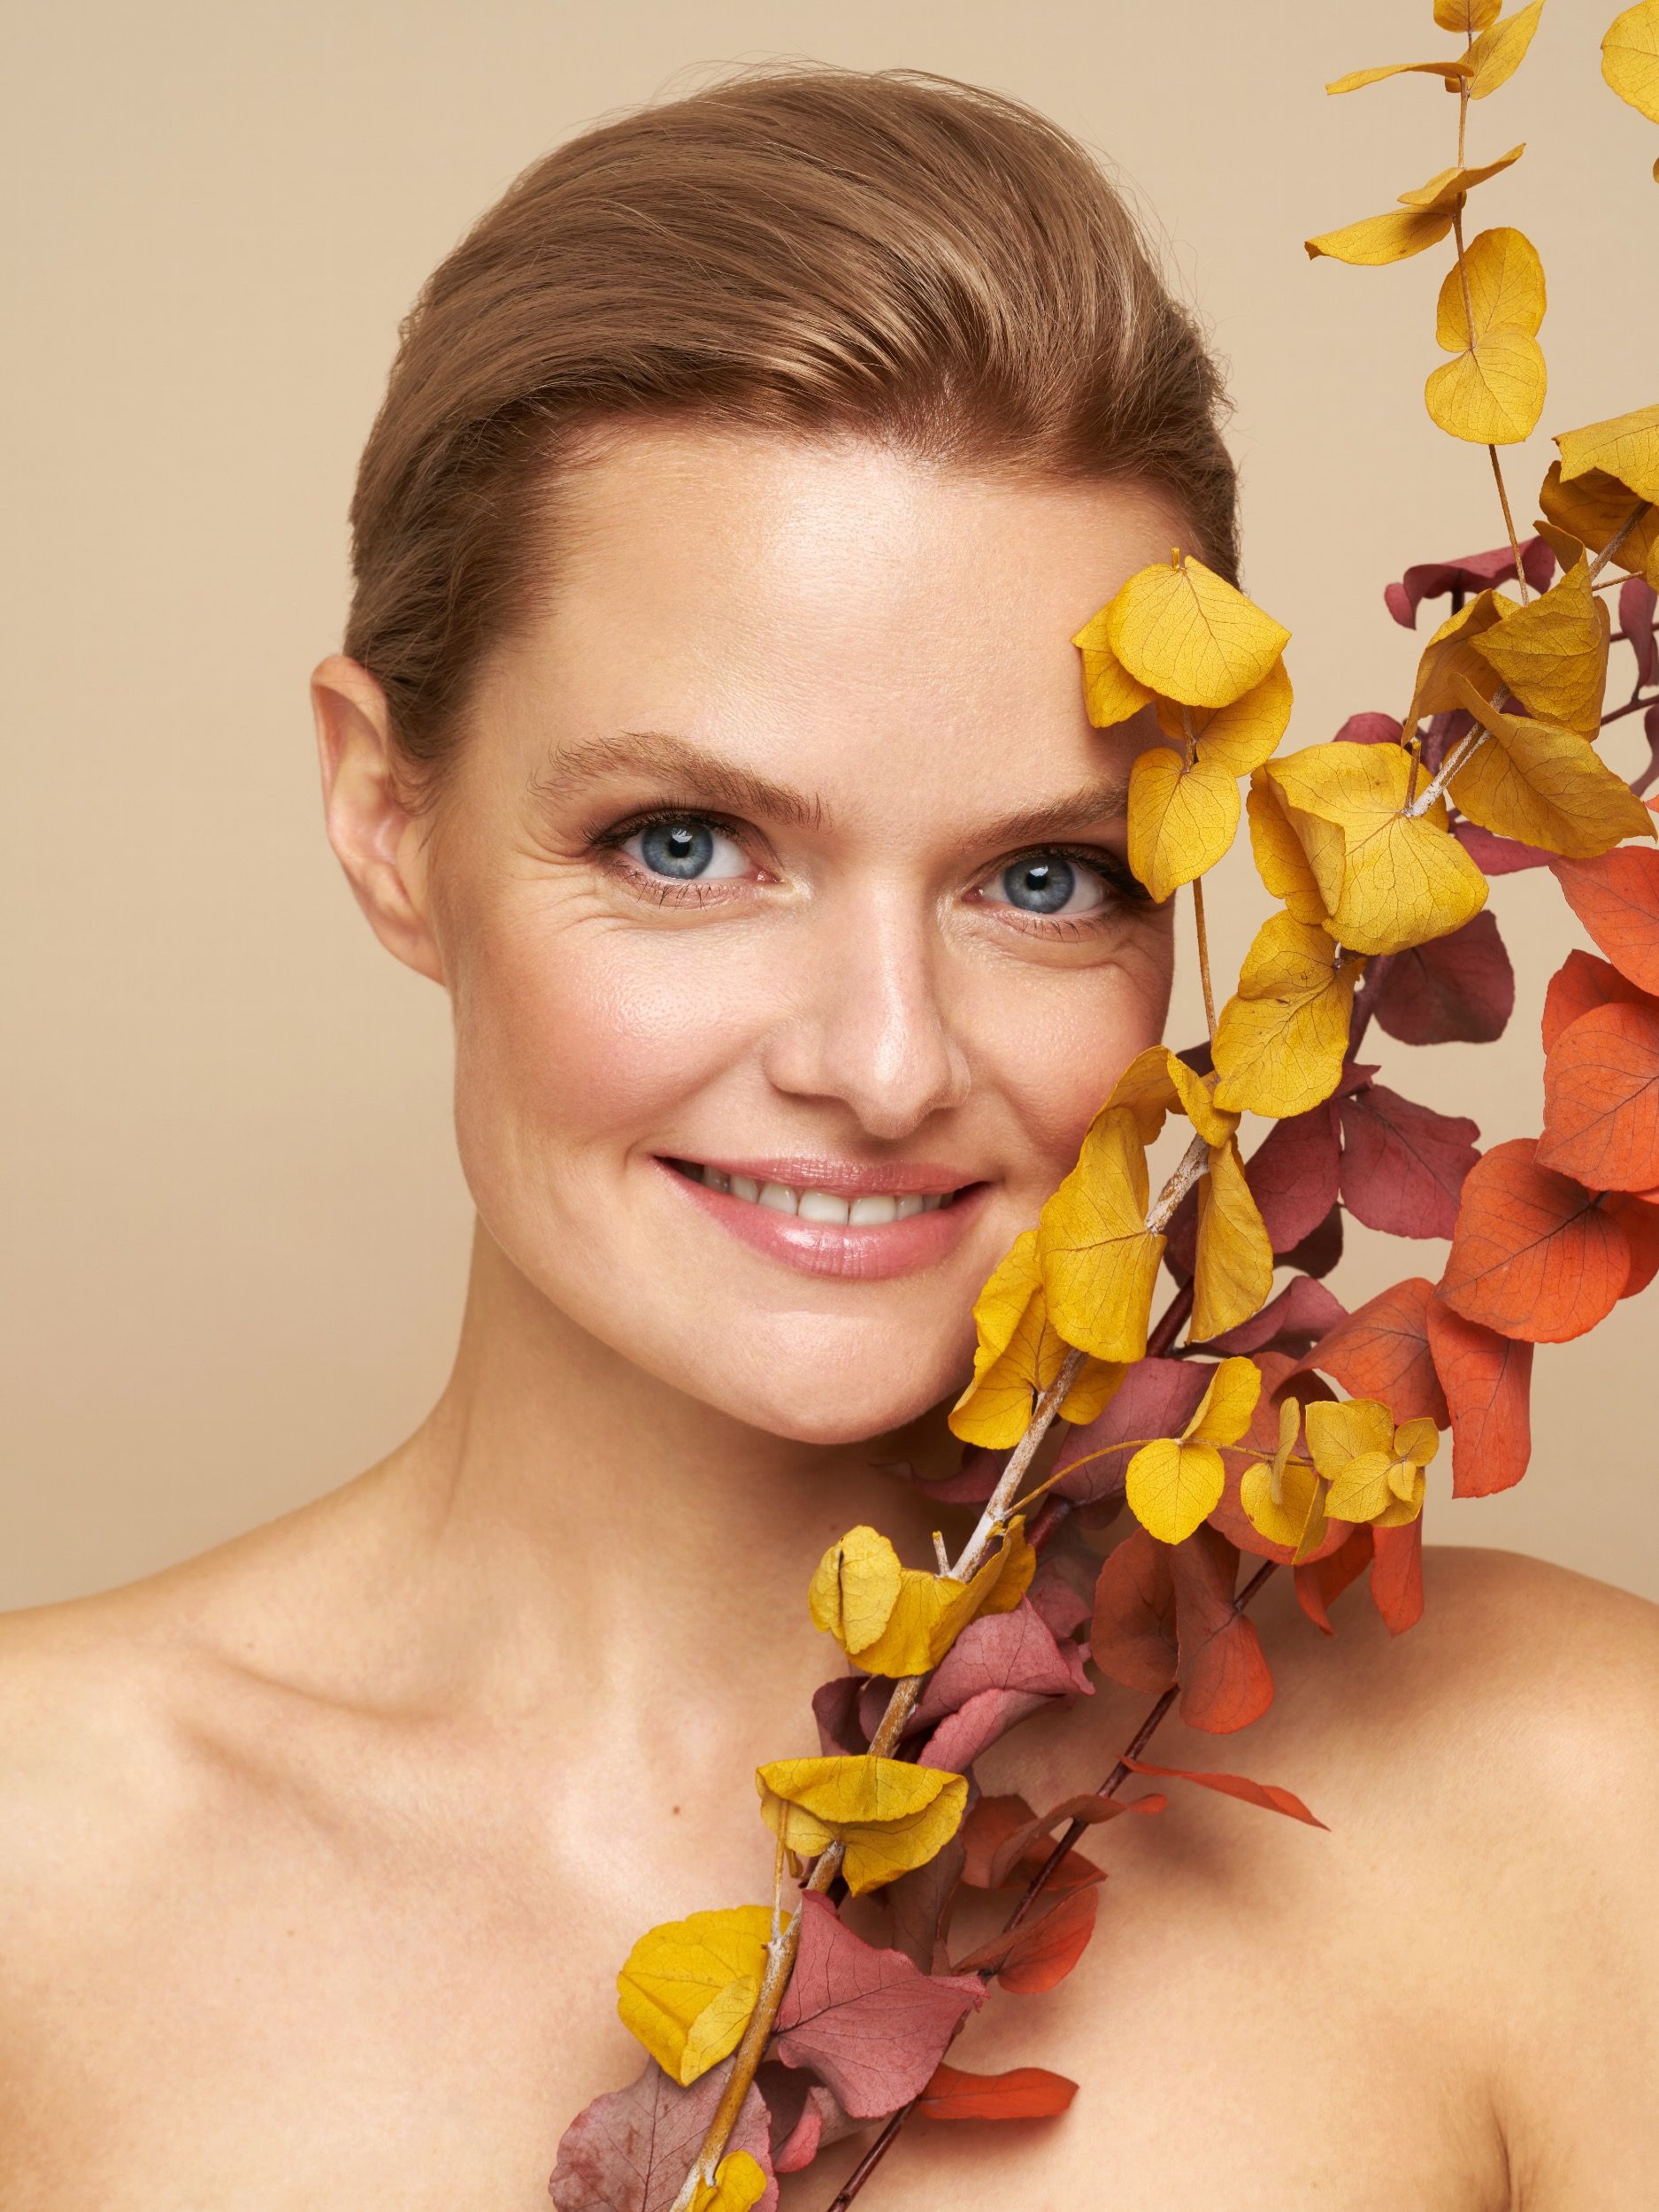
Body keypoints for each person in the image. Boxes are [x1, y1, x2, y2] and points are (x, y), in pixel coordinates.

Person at [2, 61, 1655, 2212]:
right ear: (387, 815)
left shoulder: (1566, 1811)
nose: (882, 1062)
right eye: (685, 841)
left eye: (1045, 876)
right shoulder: (38, 1877)